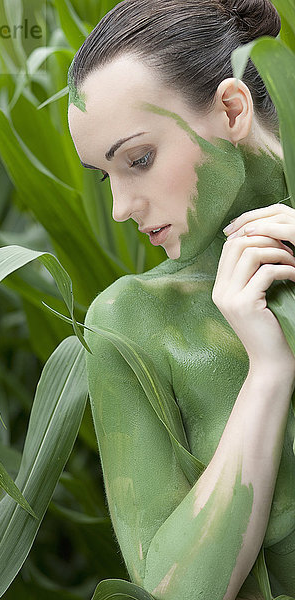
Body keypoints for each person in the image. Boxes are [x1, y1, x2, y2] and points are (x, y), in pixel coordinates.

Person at [67, 1, 295, 598]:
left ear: (231, 108)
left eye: (138, 160)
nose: (119, 208)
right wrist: (267, 375)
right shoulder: (129, 325)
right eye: (105, 174)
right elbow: (180, 589)